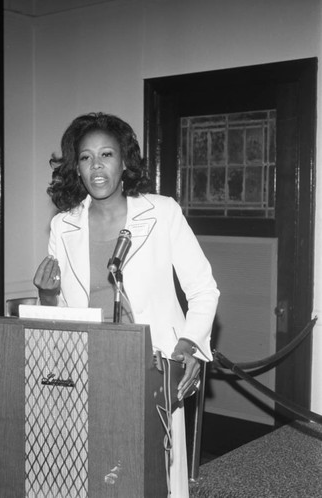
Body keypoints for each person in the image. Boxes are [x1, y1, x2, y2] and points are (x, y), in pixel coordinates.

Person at [33, 112, 219, 497]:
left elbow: (203, 289)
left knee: (152, 478)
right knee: (94, 475)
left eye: (106, 154)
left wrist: (188, 346)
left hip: (151, 367)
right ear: (76, 167)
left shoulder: (162, 212)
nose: (96, 166)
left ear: (124, 162)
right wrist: (47, 294)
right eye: (85, 157)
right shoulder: (63, 226)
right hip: (87, 368)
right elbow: (60, 313)